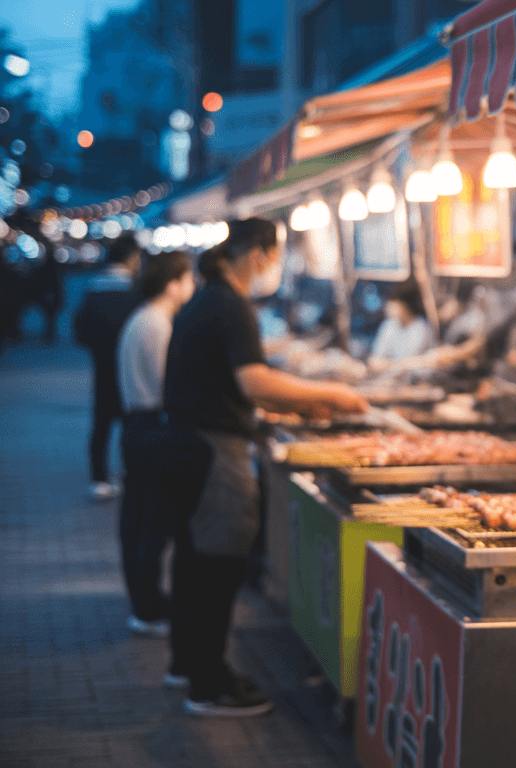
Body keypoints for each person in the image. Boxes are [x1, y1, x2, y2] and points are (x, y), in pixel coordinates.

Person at [162, 218, 368, 717]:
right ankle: (209, 684)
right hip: (213, 451)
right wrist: (331, 395)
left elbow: (227, 383)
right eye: (274, 256)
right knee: (218, 561)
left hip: (190, 442)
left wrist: (299, 407)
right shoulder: (231, 306)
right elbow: (253, 382)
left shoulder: (208, 297)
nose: (274, 267)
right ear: (256, 254)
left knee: (195, 557)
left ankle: (189, 664)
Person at [116, 251, 196, 637]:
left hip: (138, 428)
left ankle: (145, 602)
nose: (192, 286)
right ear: (173, 283)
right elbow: (172, 384)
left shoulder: (145, 319)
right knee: (153, 523)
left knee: (141, 520)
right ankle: (147, 608)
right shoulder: (156, 325)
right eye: (188, 278)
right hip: (152, 428)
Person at [74, 235, 143, 500]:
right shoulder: (135, 292)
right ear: (131, 258)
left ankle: (99, 478)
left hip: (101, 366)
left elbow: (79, 330)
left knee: (101, 424)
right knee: (130, 422)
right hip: (129, 369)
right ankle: (130, 474)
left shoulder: (94, 288)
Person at [367, 280, 434, 371]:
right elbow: (376, 357)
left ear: (406, 305)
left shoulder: (421, 328)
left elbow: (408, 362)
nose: (389, 306)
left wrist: (385, 364)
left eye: (395, 302)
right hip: (387, 379)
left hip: (413, 380)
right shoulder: (389, 325)